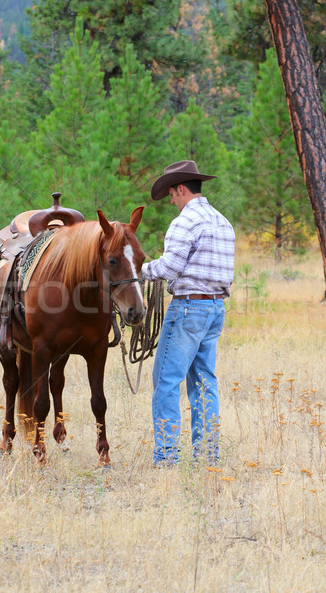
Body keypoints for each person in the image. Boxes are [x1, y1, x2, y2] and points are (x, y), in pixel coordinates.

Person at [142, 160, 235, 466]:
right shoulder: (222, 222)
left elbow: (168, 267)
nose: (170, 200)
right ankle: (207, 453)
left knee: (166, 380)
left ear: (181, 189)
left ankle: (166, 455)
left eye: (171, 194)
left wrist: (139, 271)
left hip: (188, 307)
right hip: (214, 308)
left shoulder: (185, 221)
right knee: (204, 380)